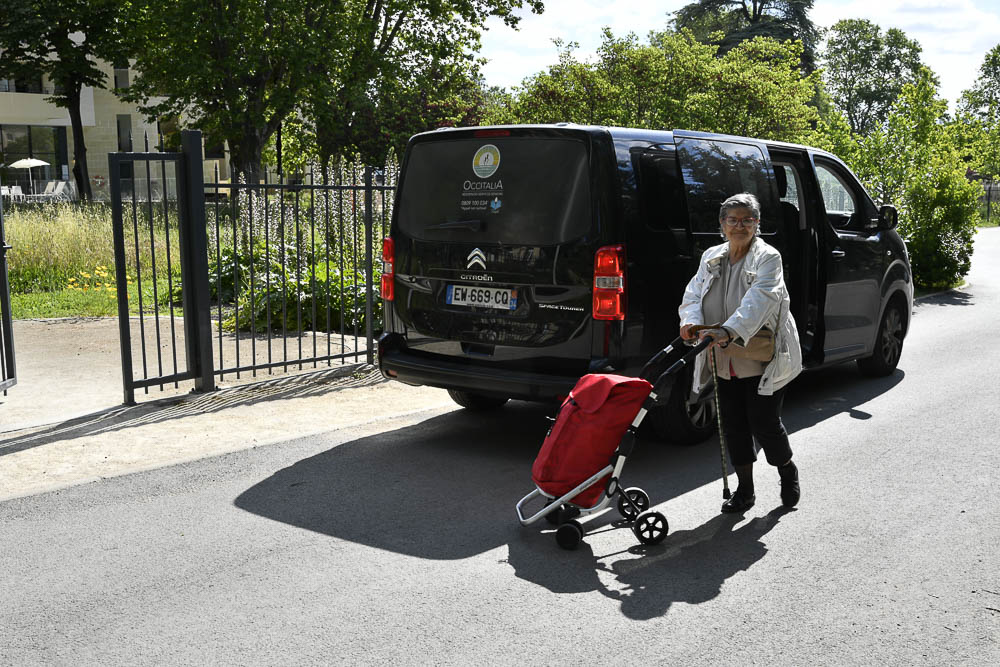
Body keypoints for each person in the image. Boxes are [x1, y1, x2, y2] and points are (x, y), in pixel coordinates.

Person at [678, 193, 803, 513]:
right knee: (733, 425)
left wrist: (730, 331)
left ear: (757, 224)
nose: (739, 226)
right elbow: (693, 293)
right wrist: (691, 322)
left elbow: (761, 300)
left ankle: (786, 468)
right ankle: (744, 491)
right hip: (721, 354)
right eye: (732, 220)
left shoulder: (768, 257)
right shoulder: (712, 255)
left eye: (747, 220)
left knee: (764, 422)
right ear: (721, 225)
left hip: (761, 352)